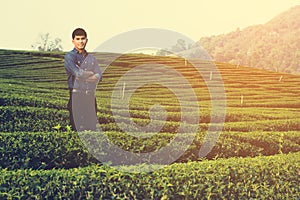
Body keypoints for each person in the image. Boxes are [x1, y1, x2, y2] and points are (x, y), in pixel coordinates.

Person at [64, 28, 102, 131]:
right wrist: (91, 74)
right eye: (78, 39)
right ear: (73, 41)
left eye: (83, 39)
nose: (81, 41)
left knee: (91, 128)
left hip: (90, 96)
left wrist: (84, 75)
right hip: (76, 95)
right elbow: (77, 73)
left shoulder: (92, 58)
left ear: (86, 40)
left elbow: (99, 75)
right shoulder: (69, 57)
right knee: (76, 128)